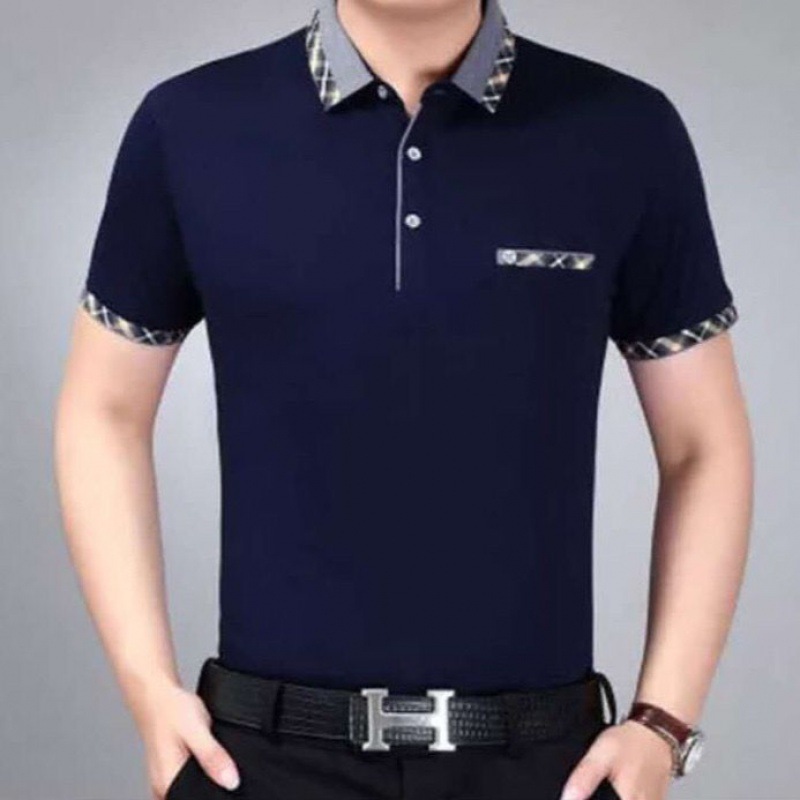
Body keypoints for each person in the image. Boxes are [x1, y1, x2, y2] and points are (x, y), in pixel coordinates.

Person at [53, 1, 753, 798]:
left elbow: (703, 444)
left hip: (544, 764)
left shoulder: (625, 131)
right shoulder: (189, 125)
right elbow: (104, 408)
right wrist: (147, 688)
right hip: (260, 758)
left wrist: (662, 723)